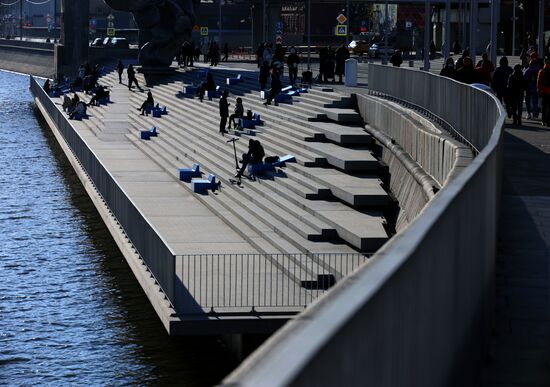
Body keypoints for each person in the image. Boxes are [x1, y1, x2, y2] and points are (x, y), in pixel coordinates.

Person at [537, 55, 550, 126]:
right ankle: (548, 121)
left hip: (544, 91)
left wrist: (539, 90)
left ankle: (543, 121)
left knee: (544, 107)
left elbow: (538, 82)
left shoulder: (541, 71)